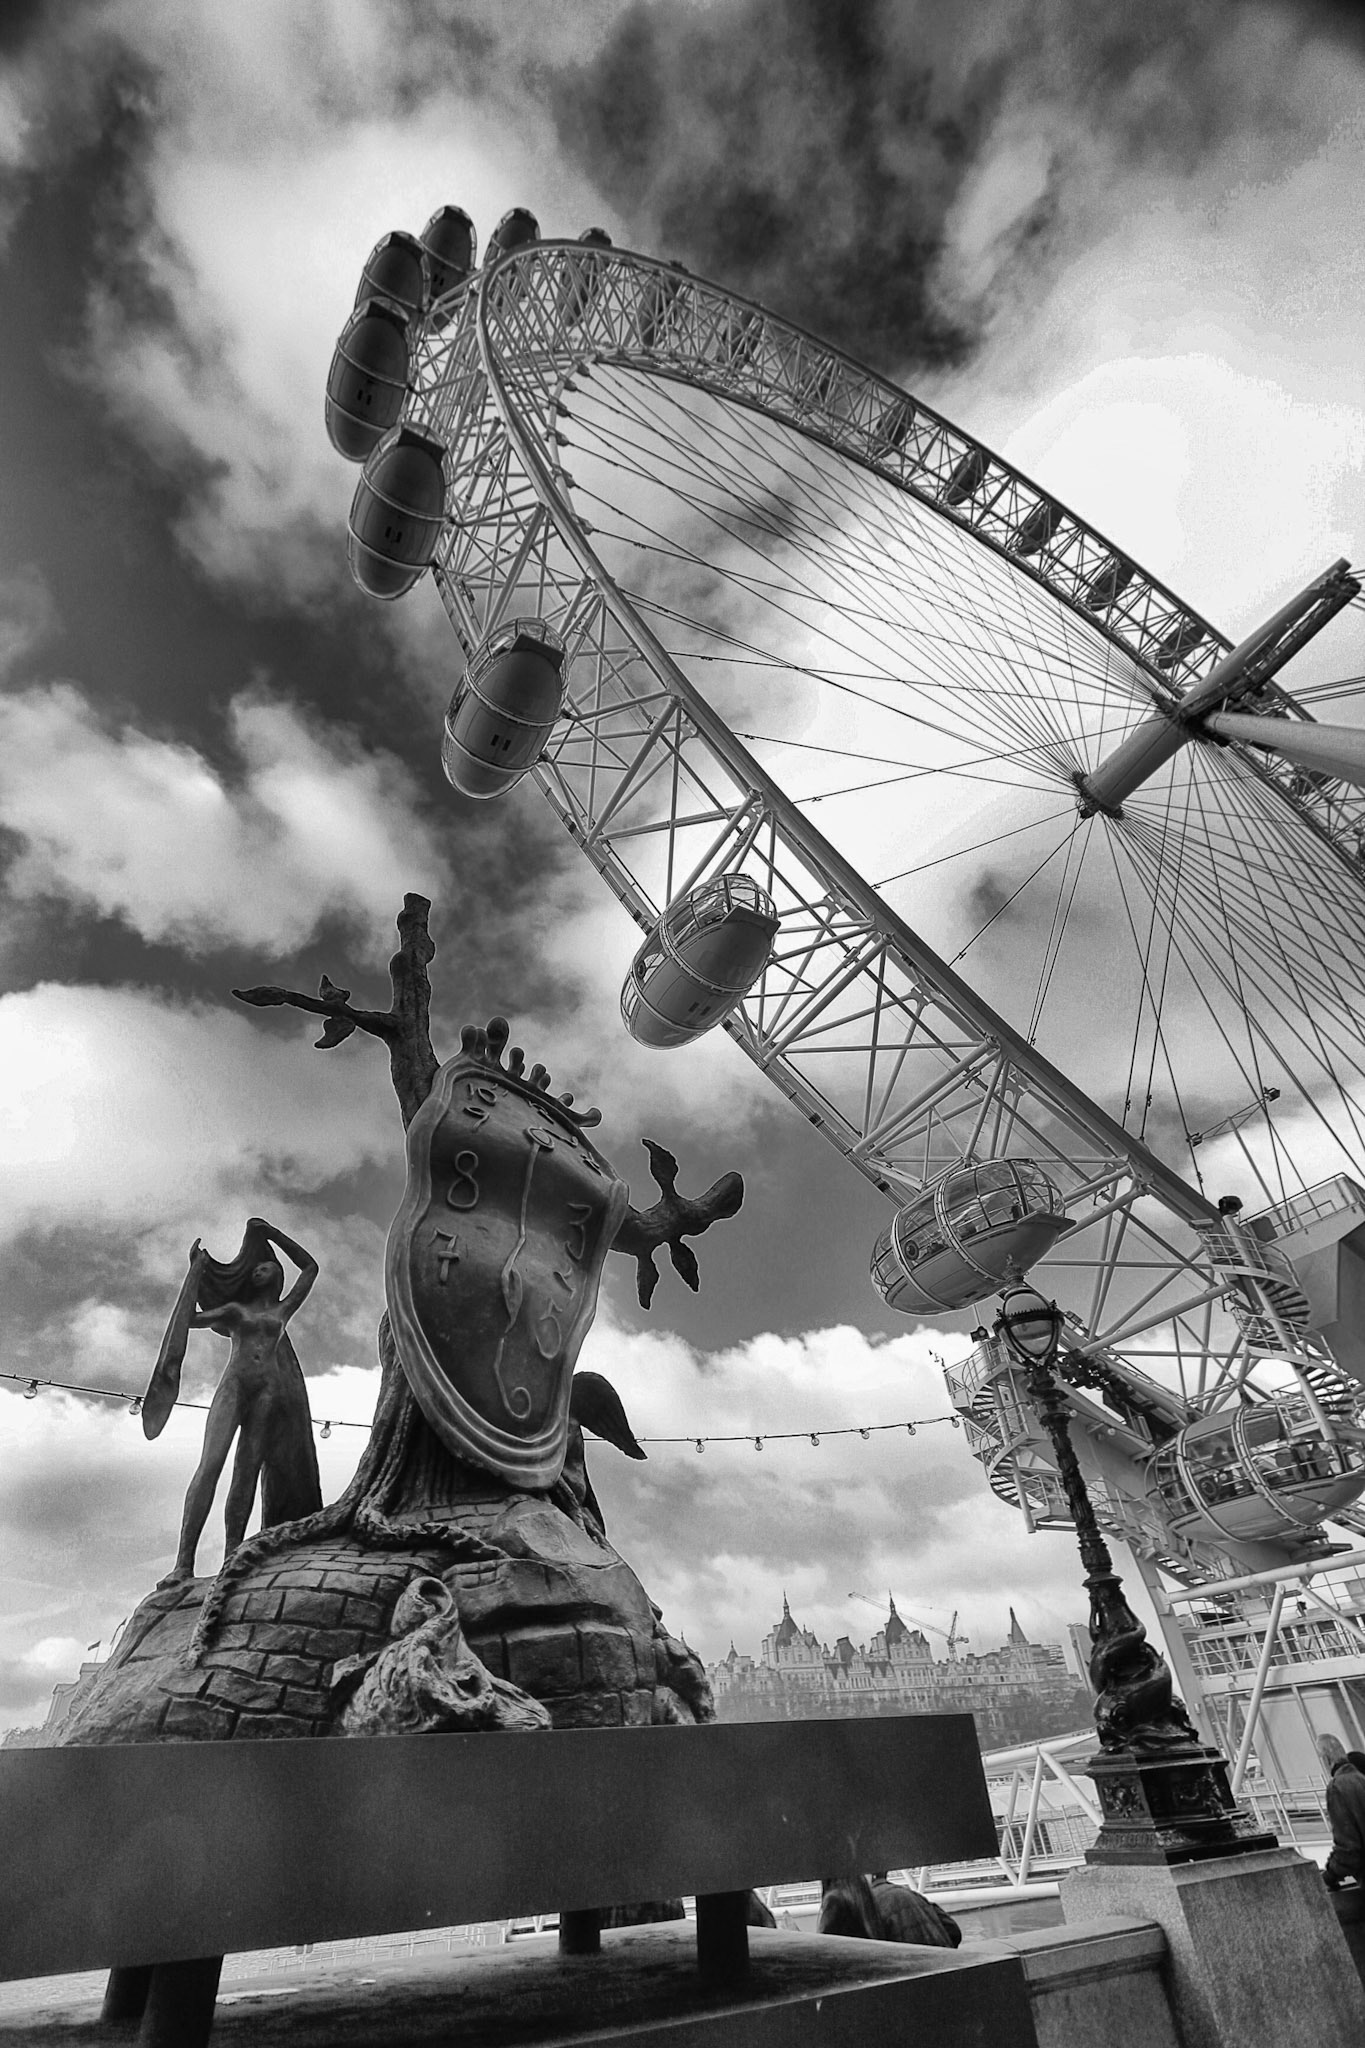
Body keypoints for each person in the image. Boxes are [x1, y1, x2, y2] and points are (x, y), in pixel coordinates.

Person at [143, 1218, 323, 1583]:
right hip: (236, 1384)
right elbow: (189, 1318)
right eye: (256, 1267)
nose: (259, 1269)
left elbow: (310, 1267)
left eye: (266, 1266)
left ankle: (232, 1556)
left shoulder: (282, 1310)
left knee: (247, 1471)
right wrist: (195, 1273)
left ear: (277, 1277)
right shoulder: (234, 1312)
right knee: (210, 1464)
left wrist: (270, 1233)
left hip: (269, 1391)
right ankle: (183, 1563)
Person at [1319, 1734, 1365, 1888]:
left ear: (1326, 1760)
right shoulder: (1361, 1778)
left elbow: (1348, 1849)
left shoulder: (1338, 1788)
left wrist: (1329, 1875)